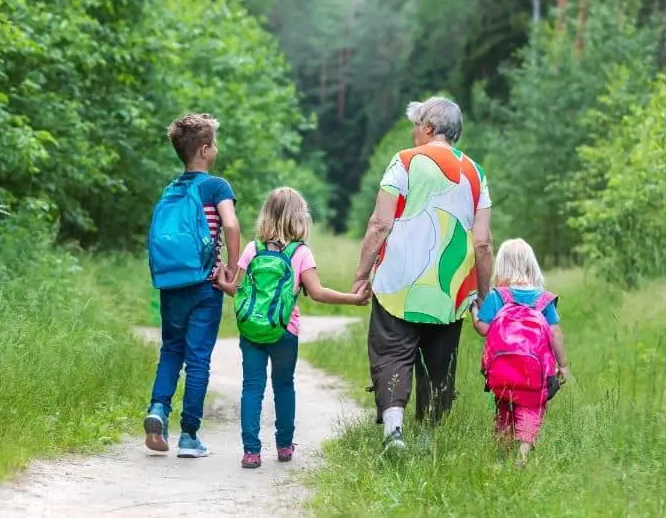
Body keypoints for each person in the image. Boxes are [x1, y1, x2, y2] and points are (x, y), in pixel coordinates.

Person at [352, 96, 494, 453]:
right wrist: (481, 293)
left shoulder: (404, 161)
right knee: (439, 361)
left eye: (416, 124)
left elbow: (380, 222)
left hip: (398, 281)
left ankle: (394, 434)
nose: (413, 132)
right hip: (450, 287)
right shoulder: (476, 173)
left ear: (428, 128)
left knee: (391, 352)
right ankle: (431, 438)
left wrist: (362, 273)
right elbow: (483, 243)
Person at [216, 187, 369, 469]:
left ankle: (251, 451)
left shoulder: (252, 249)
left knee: (252, 387)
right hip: (286, 330)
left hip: (251, 330)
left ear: (266, 215)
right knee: (284, 385)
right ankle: (284, 446)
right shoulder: (300, 253)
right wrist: (355, 299)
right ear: (300, 218)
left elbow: (237, 290)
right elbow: (318, 293)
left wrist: (221, 281)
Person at [144, 113, 241, 458]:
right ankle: (188, 436)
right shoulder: (216, 186)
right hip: (204, 285)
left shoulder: (171, 189)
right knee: (198, 358)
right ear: (203, 149)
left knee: (171, 349)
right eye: (214, 143)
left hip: (171, 284)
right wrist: (230, 270)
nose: (216, 148)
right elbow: (230, 225)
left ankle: (157, 409)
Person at [470, 238, 570, 466]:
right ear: (531, 265)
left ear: (502, 265)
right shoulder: (544, 299)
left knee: (504, 405)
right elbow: (554, 332)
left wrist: (474, 311)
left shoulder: (498, 296)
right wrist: (562, 365)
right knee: (532, 407)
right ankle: (523, 451)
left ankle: (502, 454)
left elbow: (484, 329)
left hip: (502, 370)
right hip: (536, 372)